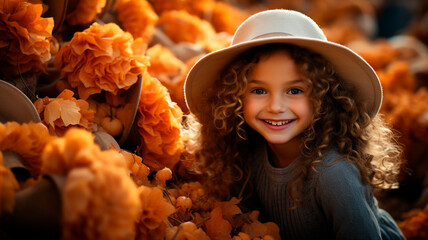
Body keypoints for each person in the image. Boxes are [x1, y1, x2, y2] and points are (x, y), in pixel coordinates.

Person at [184, 9, 405, 239]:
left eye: (295, 90)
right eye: (259, 90)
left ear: (325, 98)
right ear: (233, 98)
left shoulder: (333, 173)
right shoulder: (247, 158)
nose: (276, 106)